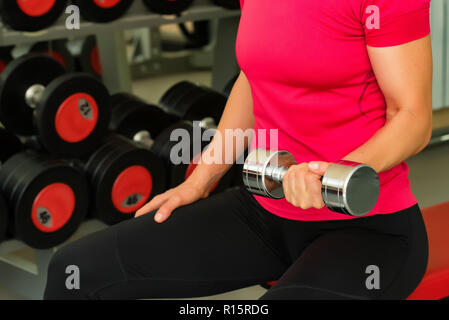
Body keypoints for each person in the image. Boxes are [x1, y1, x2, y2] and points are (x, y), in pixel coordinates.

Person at [44, 0, 432, 299]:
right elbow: (253, 78)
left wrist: (333, 172)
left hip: (368, 229)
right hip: (264, 211)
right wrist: (200, 180)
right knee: (75, 271)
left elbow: (412, 117)